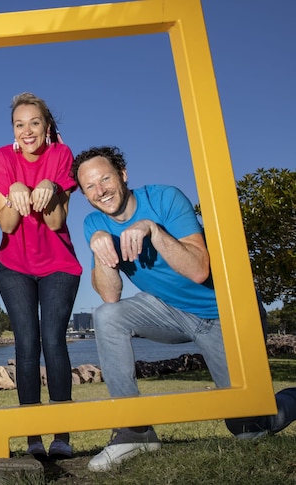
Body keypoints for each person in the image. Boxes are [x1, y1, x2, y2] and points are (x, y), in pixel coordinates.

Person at [71, 145, 296, 472]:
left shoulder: (165, 199)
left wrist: (153, 230)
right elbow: (109, 296)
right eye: (89, 186)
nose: (100, 191)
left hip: (225, 313)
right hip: (169, 310)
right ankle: (135, 431)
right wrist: (99, 248)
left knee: (250, 426)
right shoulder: (94, 223)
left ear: (123, 174)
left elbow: (198, 270)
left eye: (105, 179)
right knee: (107, 316)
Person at [0, 92, 82, 459]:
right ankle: (32, 438)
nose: (27, 131)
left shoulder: (61, 156)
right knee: (26, 344)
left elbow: (57, 222)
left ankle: (62, 437)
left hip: (58, 264)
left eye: (35, 123)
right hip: (14, 267)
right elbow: (7, 224)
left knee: (54, 341)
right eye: (19, 124)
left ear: (47, 126)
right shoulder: (1, 158)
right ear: (13, 129)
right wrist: (14, 188)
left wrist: (52, 186)